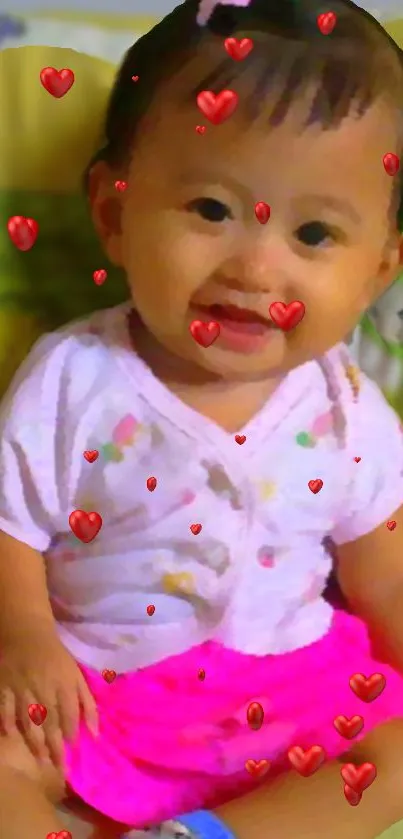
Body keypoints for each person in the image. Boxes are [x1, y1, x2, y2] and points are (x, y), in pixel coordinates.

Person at [0, 1, 403, 837]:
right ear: (113, 215)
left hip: (291, 689)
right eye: (212, 210)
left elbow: (383, 571)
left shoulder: (348, 409)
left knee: (391, 757)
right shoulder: (75, 379)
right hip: (96, 686)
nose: (256, 266)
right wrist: (26, 637)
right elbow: (10, 525)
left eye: (316, 231)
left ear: (376, 272)